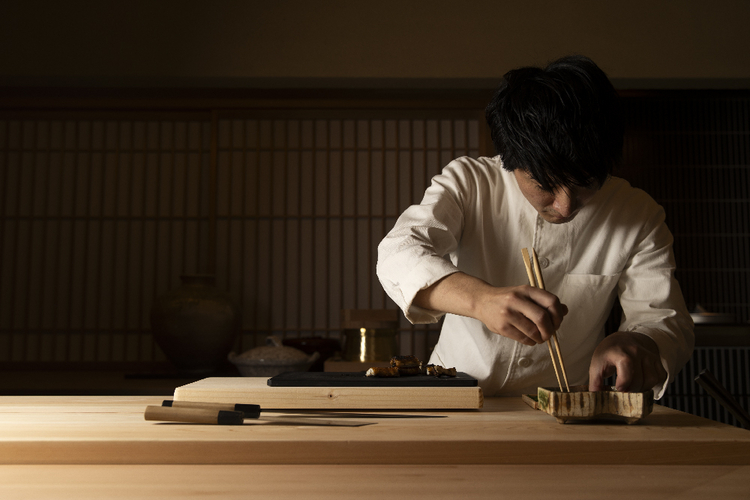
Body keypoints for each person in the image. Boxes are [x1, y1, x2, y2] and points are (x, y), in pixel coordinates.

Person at [376, 55, 694, 398]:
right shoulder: (471, 182)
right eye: (545, 185)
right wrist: (481, 300)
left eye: (585, 183)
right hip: (455, 395)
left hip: (566, 406)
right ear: (510, 162)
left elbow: (664, 319)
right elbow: (399, 253)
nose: (565, 205)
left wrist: (632, 342)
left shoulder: (638, 213)